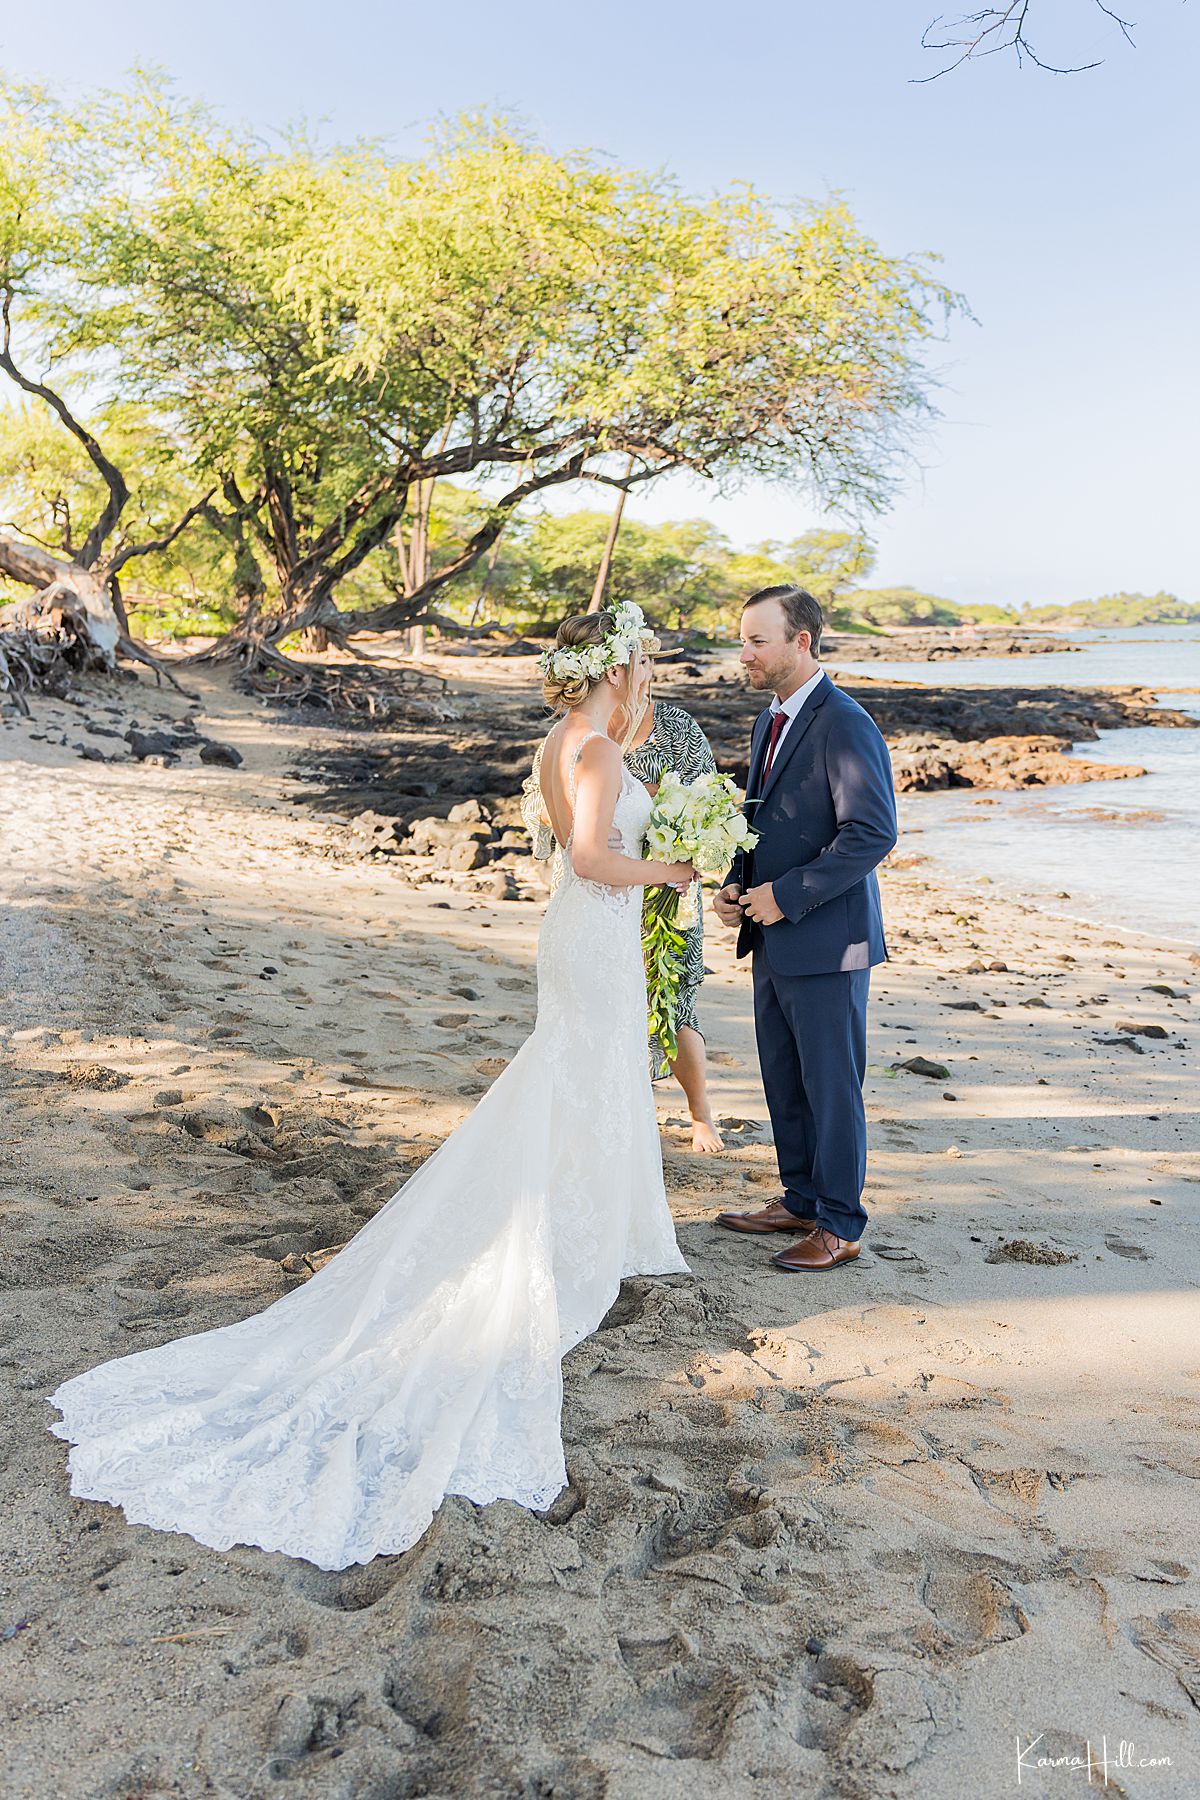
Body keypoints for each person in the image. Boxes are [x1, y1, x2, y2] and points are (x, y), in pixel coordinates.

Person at [49, 603, 693, 1571]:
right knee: (579, 1081)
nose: (648, 675)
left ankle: (585, 1223)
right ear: (618, 669)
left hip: (574, 937)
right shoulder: (598, 754)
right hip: (596, 931)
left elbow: (573, 849)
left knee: (575, 1081)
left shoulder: (565, 741)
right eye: (642, 662)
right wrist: (674, 869)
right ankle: (567, 1242)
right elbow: (595, 859)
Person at [712, 585, 897, 1272]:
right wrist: (737, 882)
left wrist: (786, 898)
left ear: (801, 642)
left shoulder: (844, 722)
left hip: (827, 938)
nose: (745, 654)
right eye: (743, 640)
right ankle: (800, 1198)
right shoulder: (769, 722)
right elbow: (761, 826)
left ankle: (841, 1225)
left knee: (831, 1086)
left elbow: (872, 834)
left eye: (757, 640)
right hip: (773, 934)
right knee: (784, 1079)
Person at [619, 692, 724, 1154]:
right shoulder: (584, 728)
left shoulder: (677, 726)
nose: (644, 673)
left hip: (670, 889)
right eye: (638, 660)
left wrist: (684, 837)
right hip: (602, 891)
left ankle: (701, 1115)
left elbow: (712, 801)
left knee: (673, 1001)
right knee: (611, 1002)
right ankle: (620, 1110)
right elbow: (536, 802)